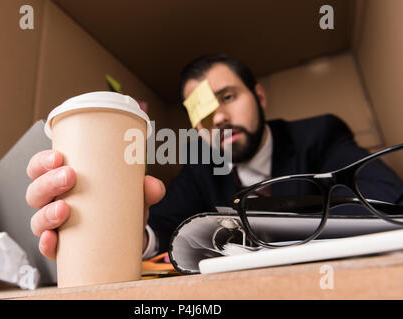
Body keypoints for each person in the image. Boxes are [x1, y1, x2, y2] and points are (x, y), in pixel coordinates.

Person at [25, 54, 402, 260]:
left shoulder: (319, 135)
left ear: (260, 96)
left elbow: (386, 195)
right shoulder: (200, 168)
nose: (218, 118)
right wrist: (110, 230)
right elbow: (158, 225)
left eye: (227, 98)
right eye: (203, 112)